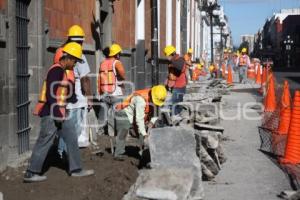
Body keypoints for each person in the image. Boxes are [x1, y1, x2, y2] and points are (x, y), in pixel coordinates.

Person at [24, 42, 94, 182]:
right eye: (74, 60)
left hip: (60, 113)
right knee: (45, 141)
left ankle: (76, 169)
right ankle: (31, 173)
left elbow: (62, 91)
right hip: (52, 114)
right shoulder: (56, 70)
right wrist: (57, 113)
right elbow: (51, 95)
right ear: (67, 58)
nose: (75, 64)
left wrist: (74, 99)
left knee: (72, 137)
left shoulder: (61, 71)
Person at [53, 25, 93, 157]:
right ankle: (64, 152)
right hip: (76, 100)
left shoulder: (60, 51)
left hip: (62, 97)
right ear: (81, 40)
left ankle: (62, 151)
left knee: (65, 127)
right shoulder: (78, 53)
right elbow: (85, 79)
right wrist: (89, 97)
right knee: (74, 129)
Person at [113, 85, 167, 160]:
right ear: (152, 96)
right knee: (123, 132)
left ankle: (144, 153)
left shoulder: (156, 95)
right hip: (124, 113)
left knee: (143, 131)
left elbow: (154, 112)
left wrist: (151, 122)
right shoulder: (140, 100)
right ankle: (118, 153)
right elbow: (139, 120)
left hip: (137, 114)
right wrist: (145, 135)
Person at [98, 43, 126, 135]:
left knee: (103, 113)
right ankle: (117, 132)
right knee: (117, 114)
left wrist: (99, 92)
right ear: (116, 54)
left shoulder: (102, 63)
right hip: (116, 93)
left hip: (104, 93)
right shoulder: (116, 63)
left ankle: (100, 130)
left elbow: (99, 78)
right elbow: (123, 75)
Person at [164, 45, 187, 115]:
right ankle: (176, 117)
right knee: (175, 104)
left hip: (180, 86)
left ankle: (175, 119)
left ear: (171, 54)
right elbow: (171, 74)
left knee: (175, 104)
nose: (167, 57)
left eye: (167, 55)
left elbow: (179, 67)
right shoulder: (173, 61)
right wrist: (167, 82)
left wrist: (171, 60)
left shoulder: (180, 60)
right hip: (174, 86)